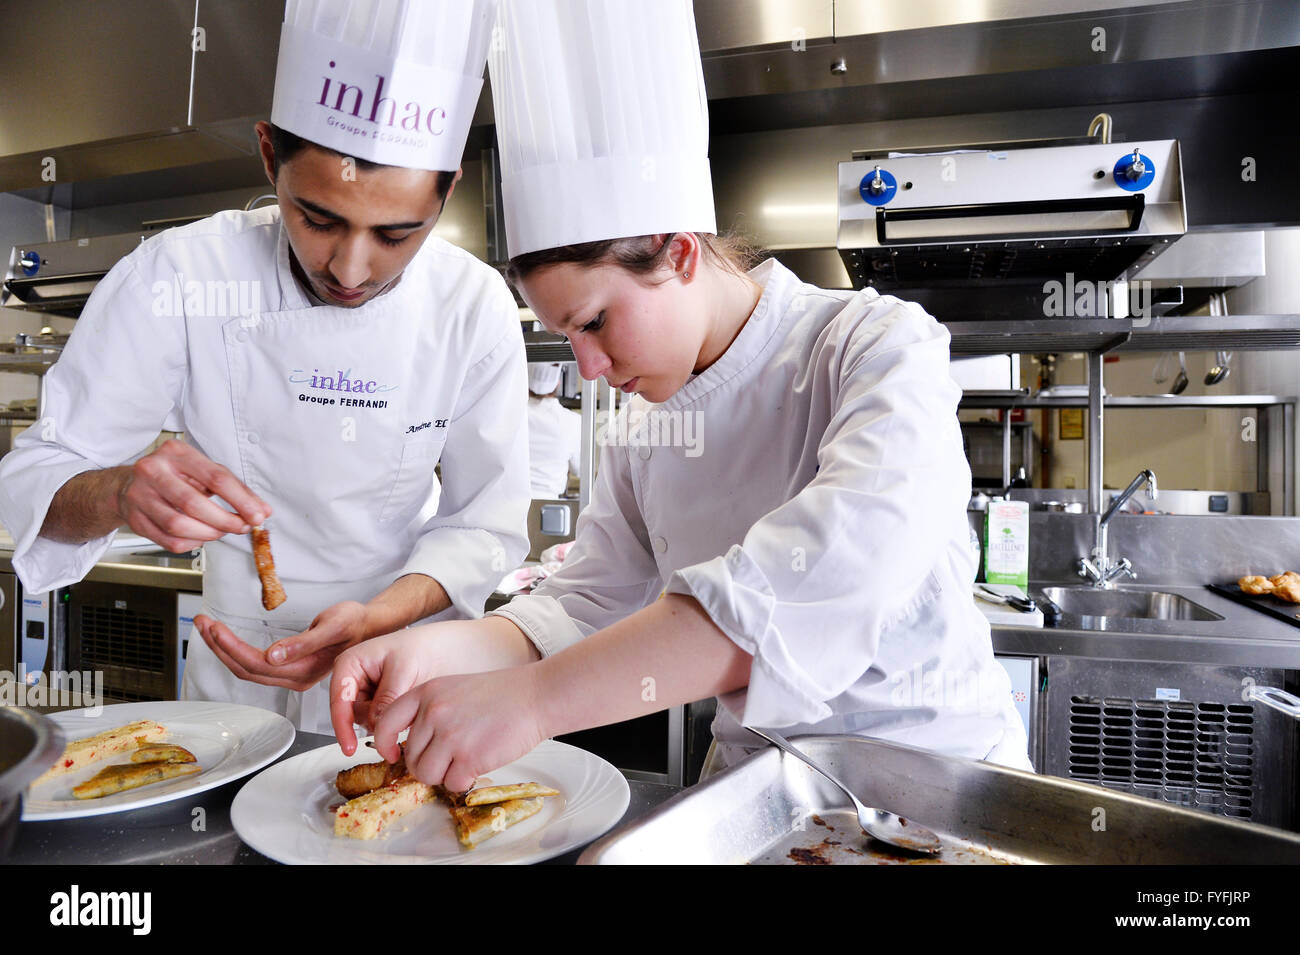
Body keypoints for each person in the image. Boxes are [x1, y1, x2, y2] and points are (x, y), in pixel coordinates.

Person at [329, 0, 1032, 787]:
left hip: (940, 794)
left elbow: (831, 570)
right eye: (569, 337)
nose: (588, 368)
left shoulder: (873, 349)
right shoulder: (644, 429)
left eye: (595, 321)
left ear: (680, 253)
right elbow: (579, 604)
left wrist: (531, 704)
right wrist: (431, 650)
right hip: (758, 796)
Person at [0, 0, 529, 734]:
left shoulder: (474, 307)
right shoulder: (181, 275)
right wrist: (121, 493)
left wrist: (380, 614)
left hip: (395, 673)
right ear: (266, 154)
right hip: (231, 681)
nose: (350, 268)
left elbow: (486, 524)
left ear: (447, 189)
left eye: (397, 233)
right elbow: (29, 480)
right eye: (319, 218)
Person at [525, 362, 581, 498]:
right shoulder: (572, 420)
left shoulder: (512, 414)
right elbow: (580, 469)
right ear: (558, 383)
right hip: (549, 503)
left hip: (510, 501)